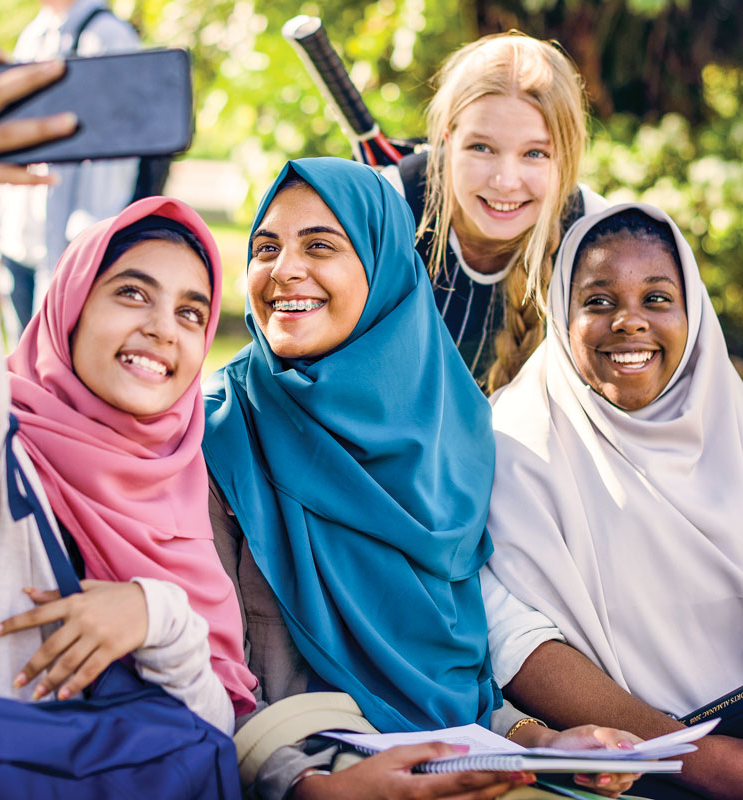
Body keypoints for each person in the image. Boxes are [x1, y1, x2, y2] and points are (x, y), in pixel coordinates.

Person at [202, 157, 644, 800]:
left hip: (459, 760)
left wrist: (540, 742)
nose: (284, 270)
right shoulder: (220, 434)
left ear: (383, 268)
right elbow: (204, 681)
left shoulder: (454, 429)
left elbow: (453, 673)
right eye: (265, 247)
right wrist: (305, 786)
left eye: (320, 246)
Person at [0, 46, 256, 730]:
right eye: (131, 293)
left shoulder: (182, 486)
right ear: (70, 309)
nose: (162, 329)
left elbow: (213, 733)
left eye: (190, 312)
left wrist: (158, 616)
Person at [486, 203, 743, 799]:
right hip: (628, 762)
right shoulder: (512, 445)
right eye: (599, 301)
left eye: (657, 299)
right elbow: (516, 640)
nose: (629, 321)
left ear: (693, 313)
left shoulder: (732, 419)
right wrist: (696, 759)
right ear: (561, 314)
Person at [381, 31, 606, 391]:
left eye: (535, 153)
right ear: (449, 141)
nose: (505, 181)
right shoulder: (389, 207)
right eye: (482, 147)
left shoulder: (597, 233)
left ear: (565, 156)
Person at [0, 0, 141, 341]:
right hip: (18, 249)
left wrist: (83, 257)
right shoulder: (34, 34)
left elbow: (113, 160)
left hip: (67, 255)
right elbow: (12, 146)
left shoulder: (108, 37)